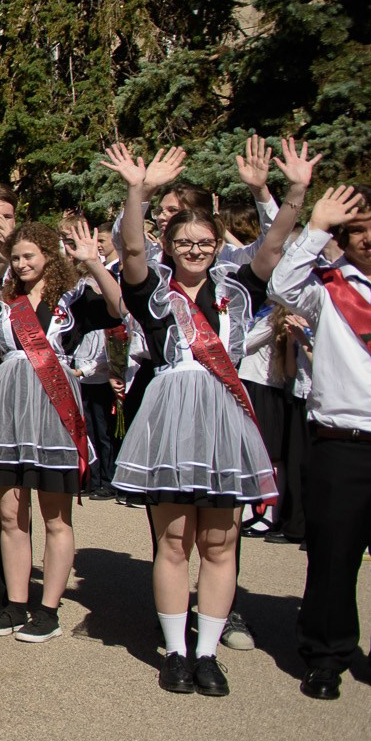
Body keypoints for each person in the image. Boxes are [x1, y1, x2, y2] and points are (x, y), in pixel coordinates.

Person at [105, 141, 307, 695]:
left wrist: (292, 193)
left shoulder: (239, 290)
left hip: (223, 418)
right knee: (173, 541)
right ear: (169, 246)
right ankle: (173, 650)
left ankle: (208, 651)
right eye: (184, 242)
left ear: (218, 247)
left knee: (220, 542)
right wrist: (137, 191)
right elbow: (130, 248)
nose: (195, 249)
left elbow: (273, 246)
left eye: (205, 242)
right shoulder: (151, 291)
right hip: (170, 419)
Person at [0, 218, 124, 644]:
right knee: (9, 513)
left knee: (55, 515)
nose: (21, 264)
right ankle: (15, 603)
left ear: (48, 257)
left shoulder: (71, 298)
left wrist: (94, 265)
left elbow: (117, 308)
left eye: (29, 256)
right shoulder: (4, 303)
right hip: (8, 409)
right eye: (16, 257)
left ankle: (48, 610)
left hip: (52, 407)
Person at [267, 182, 371, 702]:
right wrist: (314, 229)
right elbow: (279, 287)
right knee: (334, 556)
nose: (369, 239)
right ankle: (326, 654)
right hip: (343, 442)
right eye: (356, 230)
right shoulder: (326, 288)